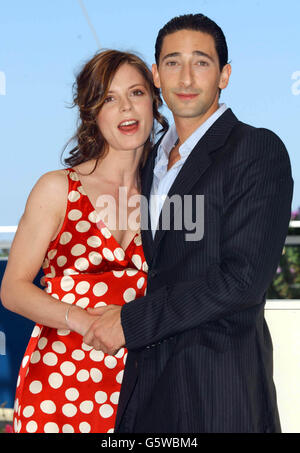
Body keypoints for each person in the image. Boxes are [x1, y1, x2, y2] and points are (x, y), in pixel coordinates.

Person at [82, 14, 294, 433]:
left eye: (201, 62)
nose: (186, 77)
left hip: (218, 389)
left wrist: (129, 321)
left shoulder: (256, 149)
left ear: (224, 75)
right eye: (173, 62)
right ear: (157, 75)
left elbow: (243, 279)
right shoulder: (146, 161)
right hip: (142, 389)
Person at [0, 49, 167, 433]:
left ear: (154, 102)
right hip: (63, 383)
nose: (126, 107)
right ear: (92, 112)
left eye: (136, 93)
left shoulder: (167, 195)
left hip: (147, 384)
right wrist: (85, 321)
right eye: (109, 98)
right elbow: (13, 289)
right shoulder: (58, 189)